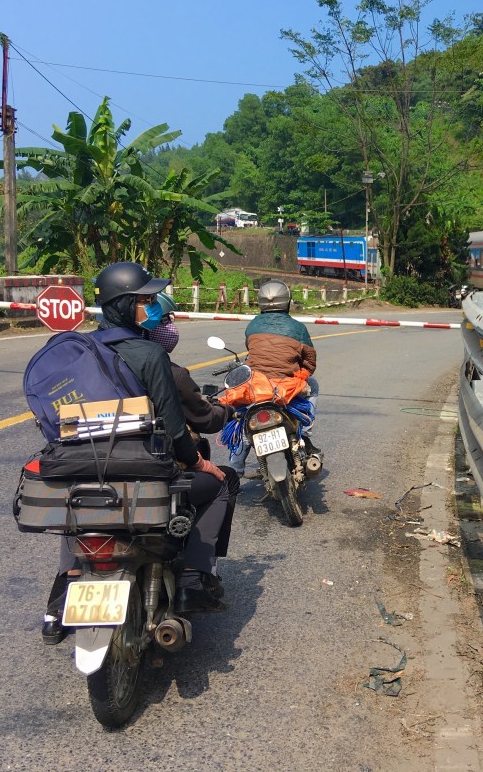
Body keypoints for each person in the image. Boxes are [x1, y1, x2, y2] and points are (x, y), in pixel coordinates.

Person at [42, 263, 229, 645]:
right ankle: (194, 577)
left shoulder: (79, 351)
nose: (152, 306)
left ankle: (61, 595)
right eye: (146, 300)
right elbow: (175, 429)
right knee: (222, 484)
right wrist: (199, 462)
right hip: (144, 472)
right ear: (126, 305)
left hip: (85, 467)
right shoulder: (149, 354)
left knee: (76, 503)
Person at [148, 293, 239, 585]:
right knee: (224, 481)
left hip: (94, 476)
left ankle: (66, 581)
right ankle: (195, 574)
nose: (170, 326)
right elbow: (202, 420)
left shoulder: (96, 368)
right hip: (154, 476)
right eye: (165, 320)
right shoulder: (169, 373)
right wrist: (227, 411)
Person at [229, 279, 320, 475]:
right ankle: (306, 431)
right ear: (287, 301)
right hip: (285, 388)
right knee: (313, 385)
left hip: (256, 387)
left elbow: (251, 351)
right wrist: (301, 375)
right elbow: (310, 362)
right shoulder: (298, 328)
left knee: (241, 424)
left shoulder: (252, 326)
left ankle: (234, 471)